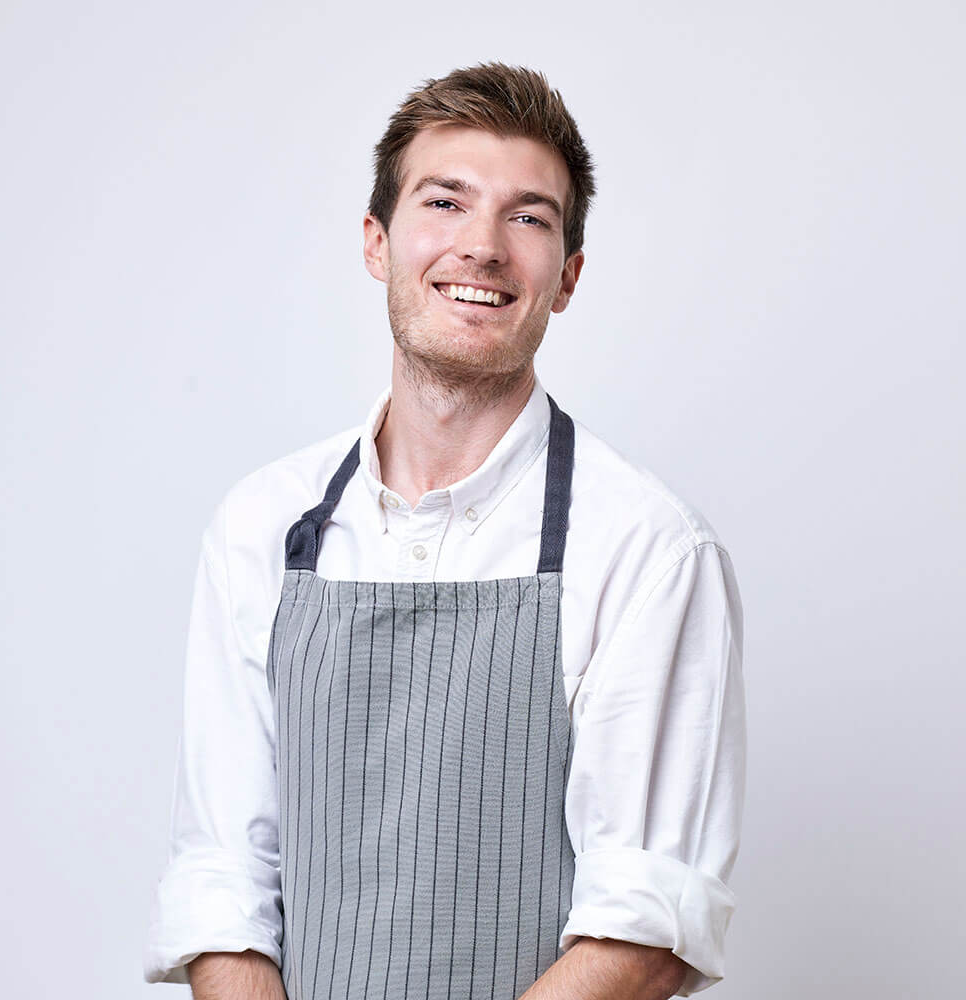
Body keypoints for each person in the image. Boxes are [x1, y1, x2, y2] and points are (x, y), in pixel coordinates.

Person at [144, 62, 746, 1000]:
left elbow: (645, 928)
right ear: (378, 242)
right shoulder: (261, 525)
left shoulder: (648, 548)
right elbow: (223, 879)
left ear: (568, 276)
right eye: (445, 201)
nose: (484, 247)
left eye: (530, 217)